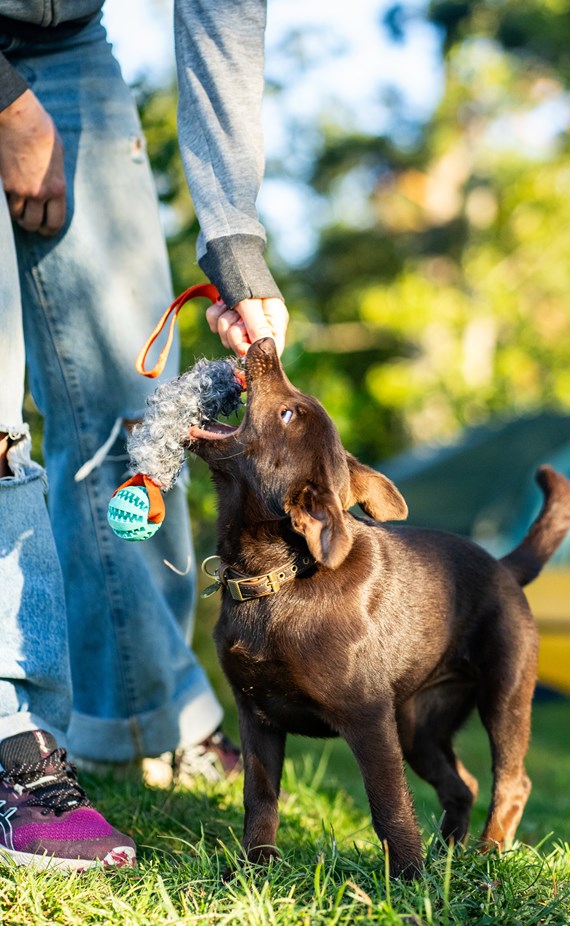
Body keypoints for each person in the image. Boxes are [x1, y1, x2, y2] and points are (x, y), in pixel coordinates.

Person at [0, 0, 288, 870]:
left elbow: (221, 13)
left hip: (70, 46)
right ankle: (13, 741)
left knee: (135, 415)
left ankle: (144, 720)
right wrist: (7, 102)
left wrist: (234, 243)